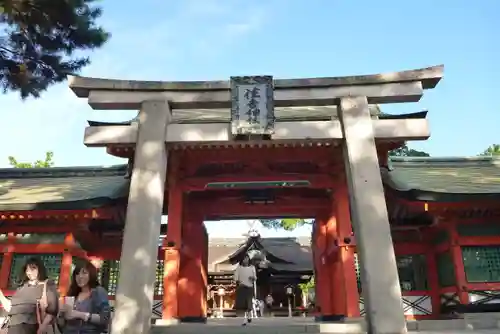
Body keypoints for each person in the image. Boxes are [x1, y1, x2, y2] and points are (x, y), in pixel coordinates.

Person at [0, 256, 59, 334]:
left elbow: (52, 310)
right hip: (13, 326)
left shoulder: (47, 284)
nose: (29, 272)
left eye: (32, 269)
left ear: (40, 269)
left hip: (32, 326)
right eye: (27, 270)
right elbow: (9, 307)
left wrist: (43, 326)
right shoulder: (22, 286)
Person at [59, 261, 110, 334]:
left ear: (91, 274)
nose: (80, 276)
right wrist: (61, 314)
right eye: (77, 273)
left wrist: (80, 314)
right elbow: (62, 324)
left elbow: (105, 319)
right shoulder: (72, 293)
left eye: (84, 273)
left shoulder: (98, 292)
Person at [233, 255, 256, 326]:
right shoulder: (239, 268)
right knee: (243, 304)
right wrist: (238, 281)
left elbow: (255, 277)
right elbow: (235, 278)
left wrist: (253, 277)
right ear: (242, 260)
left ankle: (249, 316)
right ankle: (244, 319)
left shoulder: (252, 267)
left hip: (249, 287)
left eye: (247, 259)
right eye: (244, 259)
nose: (246, 260)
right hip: (242, 287)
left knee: (249, 303)